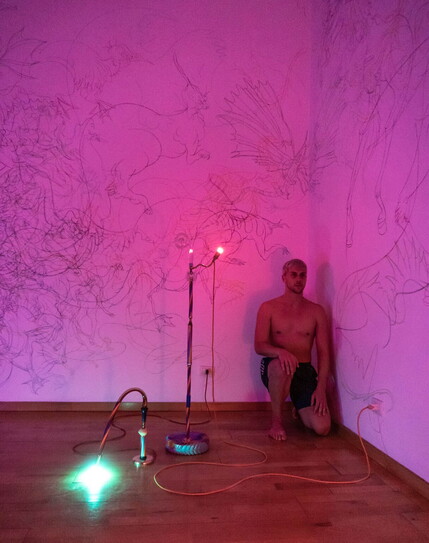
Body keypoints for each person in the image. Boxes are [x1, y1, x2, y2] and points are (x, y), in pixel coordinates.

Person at [254, 259, 331, 440]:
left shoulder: (316, 311)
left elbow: (324, 353)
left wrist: (321, 388)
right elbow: (259, 345)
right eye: (294, 275)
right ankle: (276, 422)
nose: (298, 279)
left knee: (322, 427)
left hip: (303, 371)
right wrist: (281, 352)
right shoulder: (268, 307)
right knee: (281, 367)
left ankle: (299, 404)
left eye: (302, 275)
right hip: (276, 367)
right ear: (284, 277)